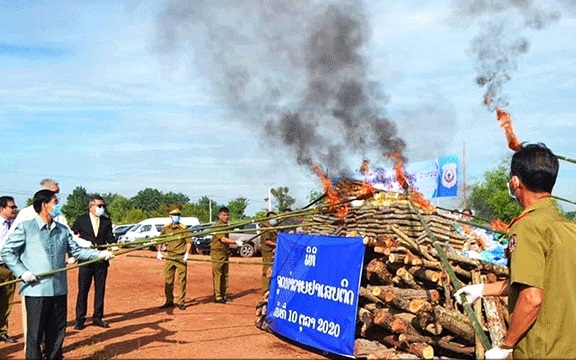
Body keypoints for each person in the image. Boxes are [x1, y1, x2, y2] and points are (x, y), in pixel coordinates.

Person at [454, 143, 576, 359]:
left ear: (515, 181)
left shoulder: (527, 226)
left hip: (541, 351)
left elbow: (532, 297)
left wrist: (506, 344)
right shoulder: (568, 228)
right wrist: (482, 289)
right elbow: (537, 281)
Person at [0, 189, 114, 360]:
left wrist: (99, 254)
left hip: (59, 289)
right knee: (35, 335)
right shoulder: (26, 227)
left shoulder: (62, 230)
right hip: (36, 290)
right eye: (55, 202)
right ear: (44, 205)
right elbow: (7, 251)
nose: (58, 205)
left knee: (57, 333)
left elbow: (76, 251)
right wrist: (22, 272)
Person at [71, 195, 115, 330]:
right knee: (83, 290)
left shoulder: (106, 221)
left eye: (103, 206)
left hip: (101, 260)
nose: (102, 208)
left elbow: (110, 238)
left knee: (100, 290)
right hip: (85, 260)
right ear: (91, 207)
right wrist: (72, 255)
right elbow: (72, 238)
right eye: (99, 206)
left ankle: (98, 317)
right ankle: (80, 319)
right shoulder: (81, 220)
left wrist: (113, 246)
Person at [157, 208, 192, 310]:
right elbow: (160, 240)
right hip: (170, 256)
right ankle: (169, 301)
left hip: (180, 257)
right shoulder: (166, 228)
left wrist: (187, 253)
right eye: (174, 215)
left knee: (182, 280)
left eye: (178, 215)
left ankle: (181, 302)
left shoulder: (183, 228)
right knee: (168, 280)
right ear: (170, 216)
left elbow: (189, 241)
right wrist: (159, 251)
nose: (176, 217)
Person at [211, 207, 242, 303]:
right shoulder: (218, 226)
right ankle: (218, 296)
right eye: (224, 215)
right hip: (217, 253)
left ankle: (223, 294)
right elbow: (222, 239)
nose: (226, 217)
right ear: (219, 216)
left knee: (225, 275)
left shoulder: (226, 225)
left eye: (227, 215)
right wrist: (235, 242)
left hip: (224, 252)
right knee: (218, 275)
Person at [0, 196, 18, 343]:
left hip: (9, 267)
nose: (14, 209)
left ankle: (2, 331)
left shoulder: (16, 224)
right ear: (2, 209)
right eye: (11, 207)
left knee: (6, 301)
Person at [260, 211, 278, 296]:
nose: (274, 220)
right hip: (268, 252)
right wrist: (278, 245)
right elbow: (267, 241)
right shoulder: (265, 228)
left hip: (274, 251)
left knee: (274, 271)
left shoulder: (274, 227)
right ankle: (265, 290)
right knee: (267, 271)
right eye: (272, 218)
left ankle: (271, 289)